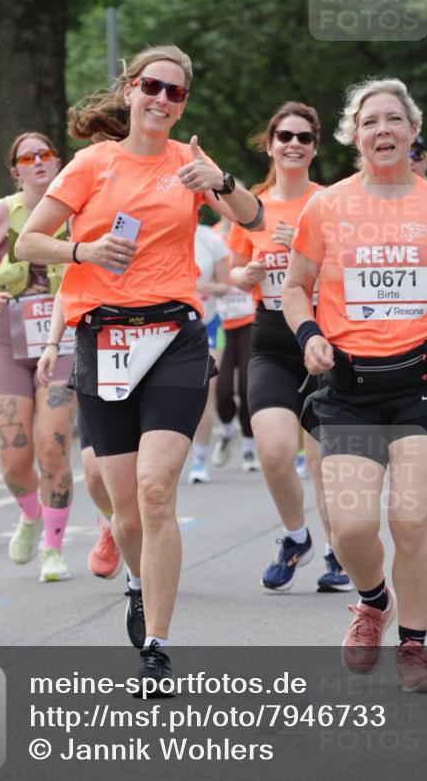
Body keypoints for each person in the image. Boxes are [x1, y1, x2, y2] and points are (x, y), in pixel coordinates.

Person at [15, 44, 263, 692]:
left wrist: (222, 183)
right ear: (130, 90)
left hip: (175, 338)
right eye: (152, 86)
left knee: (155, 490)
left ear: (182, 105)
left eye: (174, 92)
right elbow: (27, 241)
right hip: (105, 341)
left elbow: (254, 219)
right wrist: (85, 247)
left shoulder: (190, 165)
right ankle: (135, 579)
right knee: (126, 510)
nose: (161, 99)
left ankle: (156, 647)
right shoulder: (91, 164)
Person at [282, 77, 427, 692]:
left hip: (423, 381)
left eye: (394, 120)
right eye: (371, 121)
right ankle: (373, 602)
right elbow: (295, 287)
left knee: (409, 519)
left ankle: (414, 649)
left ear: (412, 130)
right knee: (350, 527)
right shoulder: (326, 207)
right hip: (348, 383)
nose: (383, 130)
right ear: (354, 134)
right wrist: (308, 336)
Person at [228, 102, 351, 594]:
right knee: (275, 452)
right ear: (271, 144)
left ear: (315, 147)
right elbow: (233, 273)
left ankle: (338, 554)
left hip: (325, 340)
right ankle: (296, 538)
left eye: (304, 137)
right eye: (285, 136)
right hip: (272, 340)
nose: (294, 144)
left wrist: (303, 245)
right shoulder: (251, 205)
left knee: (325, 463)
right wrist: (249, 274)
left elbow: (351, 270)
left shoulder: (332, 202)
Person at [0, 133, 77, 583]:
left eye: (46, 154)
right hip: (7, 339)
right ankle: (28, 515)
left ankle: (54, 546)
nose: (39, 161)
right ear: (16, 170)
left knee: (52, 444)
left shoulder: (77, 209)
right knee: (13, 457)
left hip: (61, 340)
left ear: (57, 161)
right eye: (29, 157)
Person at [36, 294, 122, 579]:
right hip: (101, 352)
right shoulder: (84, 249)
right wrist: (52, 344)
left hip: (159, 345)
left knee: (151, 474)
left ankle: (148, 568)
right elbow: (67, 286)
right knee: (95, 471)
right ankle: (113, 524)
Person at [211, 214, 258, 473]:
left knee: (247, 386)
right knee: (223, 388)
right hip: (221, 322)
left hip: (249, 320)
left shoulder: (252, 231)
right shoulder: (212, 236)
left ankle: (249, 447)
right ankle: (228, 431)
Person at [186, 221, 229, 483]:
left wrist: (205, 288)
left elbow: (226, 285)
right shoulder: (156, 231)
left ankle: (199, 460)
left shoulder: (210, 239)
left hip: (209, 324)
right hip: (171, 327)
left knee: (206, 392)